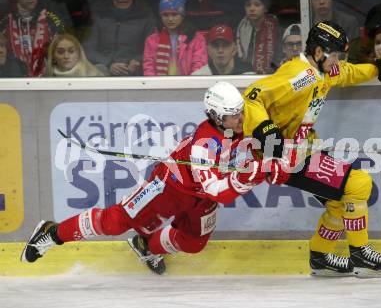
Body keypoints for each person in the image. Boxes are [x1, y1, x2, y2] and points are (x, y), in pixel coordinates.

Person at [21, 81, 289, 275]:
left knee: (194, 243)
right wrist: (254, 175)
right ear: (217, 116)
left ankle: (145, 244)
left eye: (241, 111)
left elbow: (265, 149)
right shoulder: (203, 145)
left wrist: (276, 160)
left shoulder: (243, 120)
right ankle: (52, 233)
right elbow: (219, 191)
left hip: (199, 198)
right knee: (116, 222)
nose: (242, 118)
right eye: (234, 115)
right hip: (169, 189)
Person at [241, 21, 381, 278]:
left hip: (304, 150)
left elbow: (346, 72)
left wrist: (379, 68)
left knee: (337, 202)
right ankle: (360, 254)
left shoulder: (324, 69)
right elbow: (252, 97)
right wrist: (267, 132)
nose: (338, 61)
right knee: (358, 184)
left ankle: (321, 257)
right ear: (319, 52)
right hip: (284, 156)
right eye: (335, 55)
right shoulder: (300, 75)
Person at [82, 0, 156, 76]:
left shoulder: (146, 16)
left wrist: (137, 61)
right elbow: (88, 49)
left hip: (135, 73)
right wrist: (108, 63)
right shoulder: (98, 15)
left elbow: (153, 49)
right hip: (101, 71)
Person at [0, 0, 65, 77]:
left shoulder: (52, 13)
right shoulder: (4, 17)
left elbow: (64, 42)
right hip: (13, 77)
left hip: (48, 77)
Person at [143, 0, 207, 76]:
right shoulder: (151, 41)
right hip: (160, 86)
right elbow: (149, 69)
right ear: (160, 17)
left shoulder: (197, 39)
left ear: (182, 16)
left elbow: (199, 68)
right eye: (165, 15)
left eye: (174, 14)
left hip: (189, 86)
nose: (170, 19)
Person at [236, 0, 282, 74]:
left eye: (257, 5)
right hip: (246, 74)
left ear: (265, 8)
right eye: (248, 5)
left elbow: (279, 57)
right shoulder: (240, 29)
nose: (252, 9)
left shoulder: (276, 29)